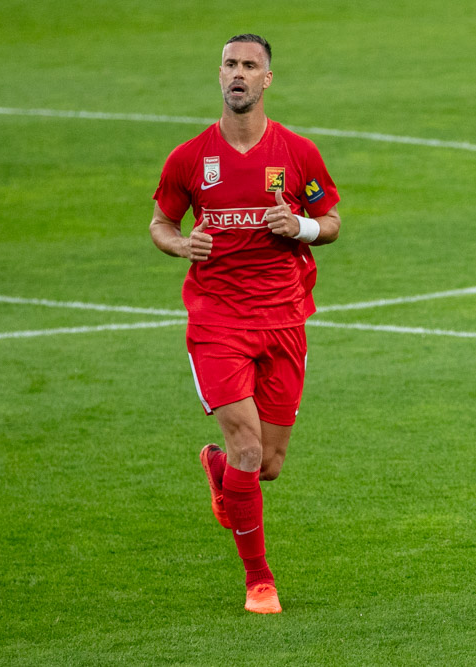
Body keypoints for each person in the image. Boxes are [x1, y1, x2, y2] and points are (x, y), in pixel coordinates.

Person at [149, 34, 341, 614]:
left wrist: (301, 228)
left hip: (284, 318)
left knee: (269, 466)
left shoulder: (297, 154)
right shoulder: (188, 159)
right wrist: (181, 243)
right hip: (217, 320)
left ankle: (217, 467)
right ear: (220, 75)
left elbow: (329, 219)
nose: (238, 73)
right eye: (230, 64)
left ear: (266, 80)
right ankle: (260, 580)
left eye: (249, 66)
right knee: (250, 452)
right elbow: (160, 222)